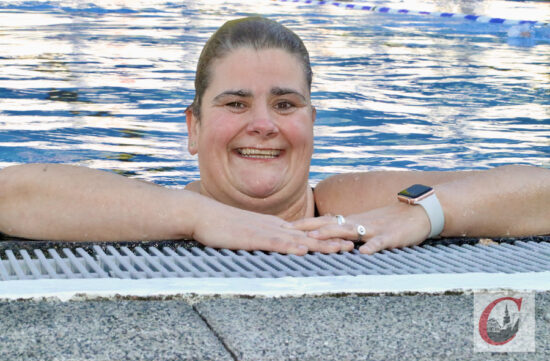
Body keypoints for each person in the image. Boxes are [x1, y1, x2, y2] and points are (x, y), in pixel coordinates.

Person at [0, 17, 548, 255]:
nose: (262, 124)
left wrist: (429, 211)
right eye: (235, 103)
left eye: (285, 104)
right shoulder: (151, 208)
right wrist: (199, 218)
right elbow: (10, 193)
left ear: (311, 124)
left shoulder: (345, 204)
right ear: (193, 129)